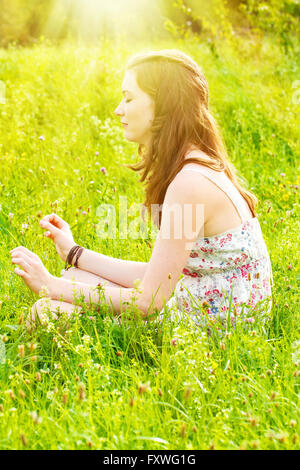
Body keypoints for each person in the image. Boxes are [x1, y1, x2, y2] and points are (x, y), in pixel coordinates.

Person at [10, 49, 273, 328]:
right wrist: (74, 253)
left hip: (211, 334)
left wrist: (48, 286)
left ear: (163, 106)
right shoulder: (199, 167)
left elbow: (149, 302)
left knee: (46, 311)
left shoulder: (190, 182)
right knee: (75, 277)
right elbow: (157, 275)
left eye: (129, 98)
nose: (118, 109)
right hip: (204, 306)